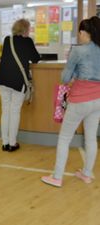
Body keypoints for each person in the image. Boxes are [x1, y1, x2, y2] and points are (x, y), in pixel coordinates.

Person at [41, 16, 100, 187]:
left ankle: (57, 177)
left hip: (80, 100)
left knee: (65, 137)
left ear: (83, 32)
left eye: (79, 32)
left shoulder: (78, 51)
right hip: (98, 100)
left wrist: (74, 74)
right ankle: (87, 174)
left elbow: (65, 78)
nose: (79, 36)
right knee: (91, 138)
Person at [0, 19, 40, 152]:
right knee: (14, 111)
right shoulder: (28, 41)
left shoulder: (7, 40)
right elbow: (36, 58)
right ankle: (12, 143)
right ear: (25, 29)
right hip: (18, 80)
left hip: (3, 79)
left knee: (5, 111)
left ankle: (5, 143)